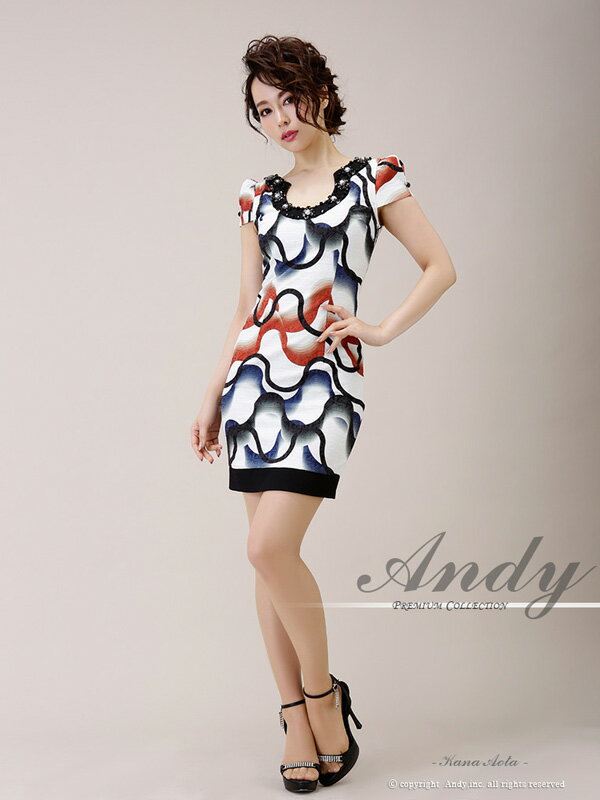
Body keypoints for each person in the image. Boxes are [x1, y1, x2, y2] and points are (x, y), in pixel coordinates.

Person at [191, 34, 457, 793]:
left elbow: (441, 267)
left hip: (324, 389)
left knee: (269, 547)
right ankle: (296, 721)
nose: (279, 119)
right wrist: (211, 392)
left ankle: (321, 696)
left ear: (320, 92)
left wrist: (379, 330)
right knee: (263, 559)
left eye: (289, 99)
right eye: (263, 109)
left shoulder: (374, 179)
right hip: (253, 386)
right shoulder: (257, 197)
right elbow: (245, 307)